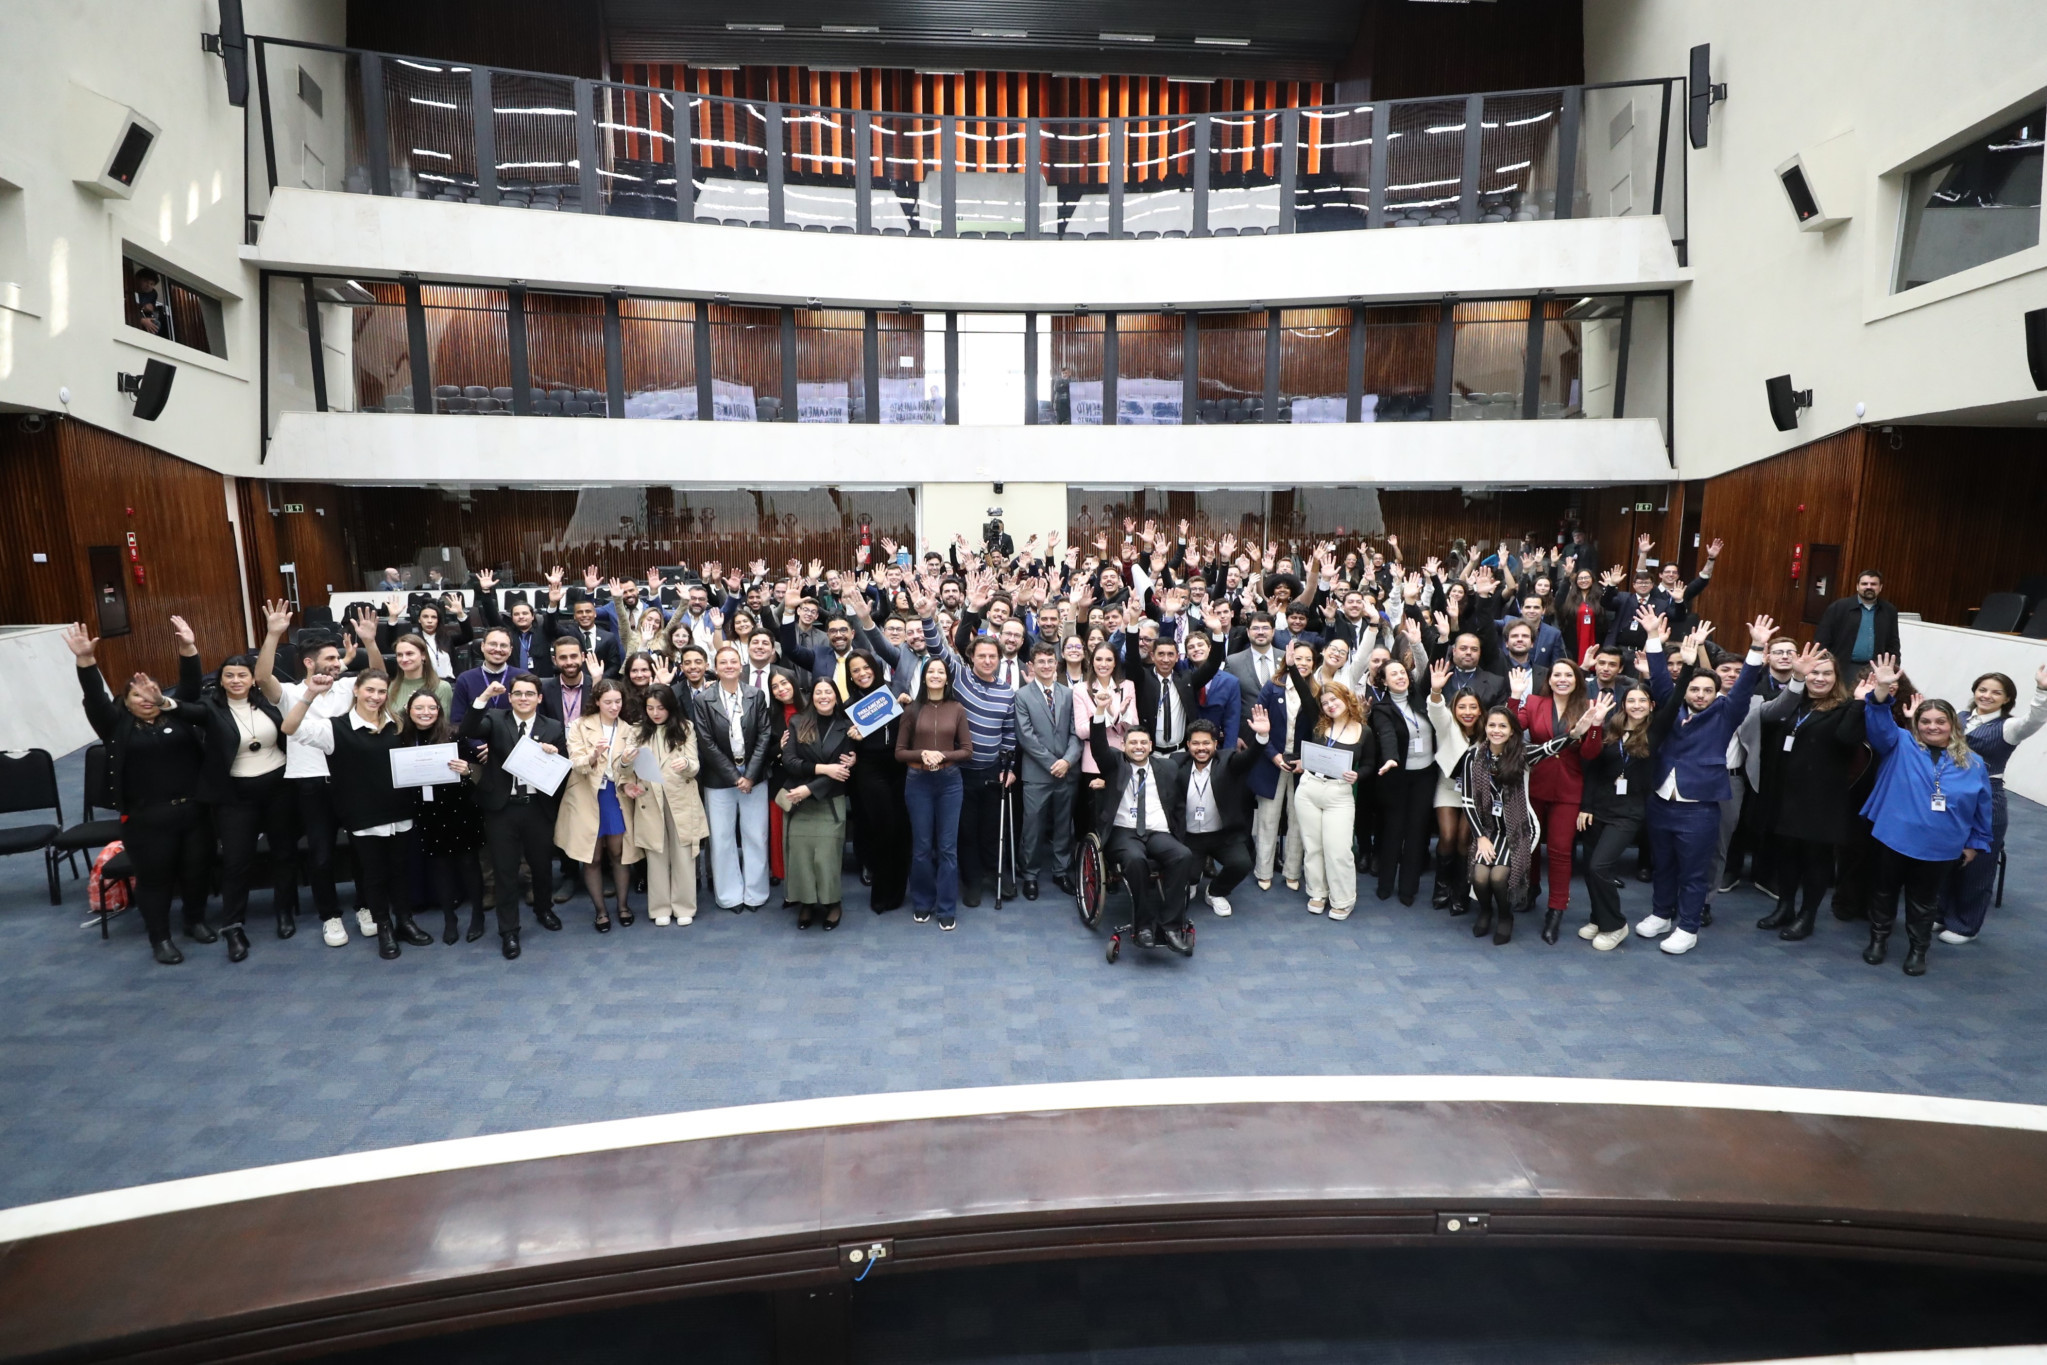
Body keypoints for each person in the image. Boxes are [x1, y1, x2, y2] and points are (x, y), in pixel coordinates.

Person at [64, 618, 213, 965]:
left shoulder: (178, 715)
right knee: (155, 879)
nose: (146, 699)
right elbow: (95, 698)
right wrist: (86, 661)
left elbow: (191, 686)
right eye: (137, 694)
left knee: (196, 871)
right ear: (126, 701)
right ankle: (160, 938)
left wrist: (188, 648)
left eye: (151, 693)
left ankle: (195, 921)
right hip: (147, 818)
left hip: (193, 811)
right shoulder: (116, 727)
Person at [1633, 609, 1775, 956]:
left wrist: (1757, 647)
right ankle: (1661, 914)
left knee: (1694, 872)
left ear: (1716, 692)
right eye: (1693, 688)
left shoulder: (1727, 713)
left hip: (1699, 808)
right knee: (1662, 864)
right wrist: (1653, 637)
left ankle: (1688, 926)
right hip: (1662, 800)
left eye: (1706, 690)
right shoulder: (1670, 707)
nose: (1699, 694)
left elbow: (1742, 688)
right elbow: (1661, 679)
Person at [1858, 655, 1994, 976]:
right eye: (1925, 721)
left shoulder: (1973, 763)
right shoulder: (1900, 743)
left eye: (1940, 722)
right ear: (1915, 724)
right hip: (1895, 837)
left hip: (1940, 845)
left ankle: (1918, 950)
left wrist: (1975, 842)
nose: (1932, 726)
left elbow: (1982, 808)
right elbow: (1877, 722)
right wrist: (1881, 687)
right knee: (1884, 890)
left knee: (1923, 900)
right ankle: (1878, 940)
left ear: (1953, 725)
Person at [281, 670, 420, 960]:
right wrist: (310, 694)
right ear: (356, 690)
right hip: (363, 813)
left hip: (400, 809)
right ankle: (384, 927)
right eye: (370, 690)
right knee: (374, 873)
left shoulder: (397, 723)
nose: (376, 697)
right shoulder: (334, 728)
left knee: (401, 869)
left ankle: (405, 921)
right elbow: (289, 728)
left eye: (382, 692)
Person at [1749, 644, 1866, 943]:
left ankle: (1807, 915)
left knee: (1816, 861)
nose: (1820, 678)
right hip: (1785, 794)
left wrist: (1860, 704)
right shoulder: (1790, 703)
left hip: (1821, 801)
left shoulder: (1845, 708)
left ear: (1836, 677)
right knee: (1786, 856)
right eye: (1814, 671)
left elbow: (1847, 739)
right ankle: (1784, 907)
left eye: (1827, 673)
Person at [917, 580, 1017, 909]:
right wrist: (928, 618)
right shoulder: (960, 676)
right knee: (967, 831)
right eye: (982, 655)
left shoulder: (1006, 692)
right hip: (960, 772)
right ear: (972, 657)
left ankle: (994, 875)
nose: (987, 660)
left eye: (993, 656)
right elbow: (937, 649)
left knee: (992, 829)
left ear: (1000, 659)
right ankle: (972, 882)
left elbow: (1009, 734)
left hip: (993, 772)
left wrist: (1010, 769)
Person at [189, 646, 291, 958]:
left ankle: (284, 912)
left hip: (278, 789)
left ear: (252, 679)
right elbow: (183, 706)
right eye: (229, 676)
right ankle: (233, 926)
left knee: (284, 854)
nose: (236, 680)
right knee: (236, 861)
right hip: (235, 796)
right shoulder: (210, 709)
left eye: (242, 675)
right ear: (220, 681)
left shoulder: (269, 704)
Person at [461, 672, 568, 958]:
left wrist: (554, 753)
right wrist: (483, 698)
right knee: (505, 870)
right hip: (502, 808)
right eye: (518, 693)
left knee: (542, 866)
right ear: (509, 697)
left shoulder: (553, 726)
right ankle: (509, 931)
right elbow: (468, 729)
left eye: (529, 694)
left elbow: (564, 766)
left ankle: (544, 910)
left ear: (539, 698)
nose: (523, 698)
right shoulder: (495, 719)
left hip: (537, 807)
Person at [1937, 665, 2047, 944]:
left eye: (1996, 692)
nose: (1987, 695)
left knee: (1979, 864)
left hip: (1987, 799)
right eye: (1982, 689)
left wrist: (2042, 691)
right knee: (1944, 856)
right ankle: (1939, 912)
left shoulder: (2009, 727)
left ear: (2007, 699)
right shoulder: (1958, 717)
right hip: (1951, 796)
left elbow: (2034, 719)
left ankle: (1964, 924)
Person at [1510, 658, 1604, 943]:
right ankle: (1531, 889)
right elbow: (1511, 729)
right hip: (1535, 784)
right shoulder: (1536, 702)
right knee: (1530, 844)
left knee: (1561, 851)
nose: (1561, 679)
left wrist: (1596, 725)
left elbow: (1589, 754)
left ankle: (1556, 910)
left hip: (1568, 790)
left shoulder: (1587, 706)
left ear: (1577, 679)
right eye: (1556, 675)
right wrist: (1515, 697)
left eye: (1568, 675)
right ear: (1549, 679)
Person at [1088, 724, 1198, 953]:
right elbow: (1098, 747)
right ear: (1123, 745)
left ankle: (1170, 927)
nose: (1138, 747)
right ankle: (1144, 926)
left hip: (1158, 831)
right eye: (1133, 743)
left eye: (1142, 743)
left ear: (1150, 746)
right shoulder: (1115, 764)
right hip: (1124, 831)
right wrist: (1100, 712)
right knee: (1136, 860)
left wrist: (1179, 833)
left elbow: (1178, 804)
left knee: (1183, 855)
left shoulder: (1167, 767)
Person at [393, 688, 487, 944]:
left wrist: (467, 770)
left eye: (431, 708)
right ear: (409, 712)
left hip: (461, 808)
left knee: (469, 864)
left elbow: (478, 771)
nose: (426, 713)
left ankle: (478, 915)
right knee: (440, 866)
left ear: (439, 711)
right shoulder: (402, 739)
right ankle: (449, 919)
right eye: (419, 708)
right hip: (427, 812)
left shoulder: (455, 734)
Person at [616, 684, 707, 927]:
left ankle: (685, 905)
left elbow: (696, 766)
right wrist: (625, 760)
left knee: (684, 853)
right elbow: (623, 770)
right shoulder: (637, 732)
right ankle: (659, 908)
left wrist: (686, 763)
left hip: (680, 796)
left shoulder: (684, 727)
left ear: (670, 707)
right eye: (650, 708)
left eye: (661, 708)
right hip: (649, 798)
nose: (655, 713)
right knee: (655, 855)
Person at [1280, 684, 1373, 920]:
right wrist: (1291, 667)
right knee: (1313, 846)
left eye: (1334, 700)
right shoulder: (1319, 725)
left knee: (1339, 850)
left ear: (1346, 698)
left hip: (1339, 794)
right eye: (1325, 703)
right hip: (1310, 787)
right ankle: (1317, 892)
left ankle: (1343, 899)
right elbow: (1304, 692)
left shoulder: (1364, 731)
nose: (1330, 705)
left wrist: (1358, 775)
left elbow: (1370, 764)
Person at [695, 644, 773, 912]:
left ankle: (756, 893)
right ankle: (729, 895)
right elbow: (705, 742)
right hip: (719, 779)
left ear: (741, 666)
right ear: (716, 668)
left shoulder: (756, 695)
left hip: (754, 776)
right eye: (723, 662)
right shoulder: (703, 700)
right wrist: (734, 776)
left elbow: (764, 736)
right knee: (722, 838)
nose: (729, 666)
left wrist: (749, 775)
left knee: (756, 835)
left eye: (733, 662)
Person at [1577, 683, 1654, 950]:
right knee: (1590, 869)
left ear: (1651, 705)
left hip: (1627, 813)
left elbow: (1673, 695)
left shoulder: (1656, 732)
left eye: (1642, 700)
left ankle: (1615, 925)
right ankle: (1598, 918)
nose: (1636, 705)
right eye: (1631, 700)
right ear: (1623, 705)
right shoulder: (1611, 730)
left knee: (1600, 866)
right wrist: (1585, 806)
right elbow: (1591, 764)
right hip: (1597, 809)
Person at [897, 656, 972, 928]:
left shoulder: (957, 708)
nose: (936, 675)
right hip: (918, 782)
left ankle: (946, 906)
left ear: (947, 678)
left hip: (950, 782)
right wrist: (923, 753)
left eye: (941, 671)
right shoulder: (912, 710)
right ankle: (922, 902)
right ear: (924, 677)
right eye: (931, 671)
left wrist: (941, 755)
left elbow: (967, 749)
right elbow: (900, 752)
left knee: (948, 848)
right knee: (922, 847)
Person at [780, 677, 857, 930]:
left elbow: (842, 773)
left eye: (828, 692)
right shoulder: (798, 721)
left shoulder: (847, 726)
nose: (823, 696)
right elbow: (789, 761)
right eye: (818, 692)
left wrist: (809, 788)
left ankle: (833, 903)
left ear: (836, 696)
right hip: (798, 801)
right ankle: (806, 903)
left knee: (826, 859)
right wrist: (822, 769)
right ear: (811, 696)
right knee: (800, 858)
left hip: (829, 801)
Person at [1249, 639, 1319, 890]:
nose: (1303, 663)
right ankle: (1264, 871)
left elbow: (1319, 733)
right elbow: (1257, 723)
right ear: (1287, 659)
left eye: (1308, 659)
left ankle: (1292, 872)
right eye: (1298, 658)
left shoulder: (1317, 691)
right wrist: (1273, 755)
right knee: (1268, 820)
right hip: (1272, 762)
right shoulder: (1272, 687)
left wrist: (1306, 761)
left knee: (1298, 821)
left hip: (1303, 766)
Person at [1015, 640, 1083, 899]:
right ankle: (1030, 874)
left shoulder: (1068, 694)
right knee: (1032, 826)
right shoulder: (1022, 695)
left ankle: (1060, 871)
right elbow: (1026, 736)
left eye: (1050, 661)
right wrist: (1051, 763)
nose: (1046, 665)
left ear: (1057, 664)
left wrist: (1067, 761)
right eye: (1040, 661)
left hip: (1067, 771)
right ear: (1032, 665)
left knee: (1063, 825)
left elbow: (1077, 733)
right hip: (1037, 773)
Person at [843, 651, 910, 912]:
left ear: (875, 668)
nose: (862, 673)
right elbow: (846, 748)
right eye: (856, 670)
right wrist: (852, 739)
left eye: (866, 668)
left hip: (899, 766)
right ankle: (881, 894)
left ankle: (899, 891)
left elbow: (911, 726)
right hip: (870, 770)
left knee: (902, 830)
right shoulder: (849, 705)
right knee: (883, 829)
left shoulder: (894, 693)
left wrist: (909, 705)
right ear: (850, 675)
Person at [1368, 658, 1437, 906]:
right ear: (1383, 681)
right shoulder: (1381, 708)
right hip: (1397, 775)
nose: (1400, 676)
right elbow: (1386, 735)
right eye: (1393, 674)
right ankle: (1386, 883)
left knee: (1417, 832)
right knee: (1393, 832)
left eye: (1402, 672)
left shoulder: (1420, 698)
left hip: (1425, 776)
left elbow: (1432, 667)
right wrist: (1390, 759)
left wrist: (1440, 639)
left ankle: (1409, 887)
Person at [1176, 718, 1260, 917]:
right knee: (1187, 873)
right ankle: (1193, 880)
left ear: (1215, 744)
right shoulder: (1176, 763)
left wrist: (1262, 737)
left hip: (1222, 836)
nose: (1201, 748)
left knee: (1242, 864)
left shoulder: (1228, 761)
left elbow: (1249, 757)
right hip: (1190, 837)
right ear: (1188, 745)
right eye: (1195, 743)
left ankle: (1215, 892)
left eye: (1206, 743)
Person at [1424, 659, 1485, 914]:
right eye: (1462, 707)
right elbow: (1436, 710)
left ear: (1481, 710)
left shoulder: (1486, 732)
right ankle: (1441, 887)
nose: (1468, 712)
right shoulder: (1446, 724)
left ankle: (1461, 890)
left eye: (1473, 707)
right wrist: (1436, 691)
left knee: (1463, 841)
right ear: (1455, 708)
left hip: (1475, 794)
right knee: (1447, 837)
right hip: (1448, 787)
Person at [1815, 571, 1901, 681]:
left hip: (1874, 669)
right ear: (1857, 586)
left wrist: (1894, 667)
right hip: (1843, 667)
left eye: (1873, 584)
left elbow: (1893, 644)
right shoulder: (1839, 607)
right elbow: (1822, 640)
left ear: (1880, 587)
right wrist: (1823, 666)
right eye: (1864, 584)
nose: (1869, 587)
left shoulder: (1889, 611)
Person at [385, 632, 453, 724]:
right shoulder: (391, 686)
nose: (404, 659)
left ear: (423, 655)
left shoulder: (442, 687)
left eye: (409, 654)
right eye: (400, 655)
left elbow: (443, 726)